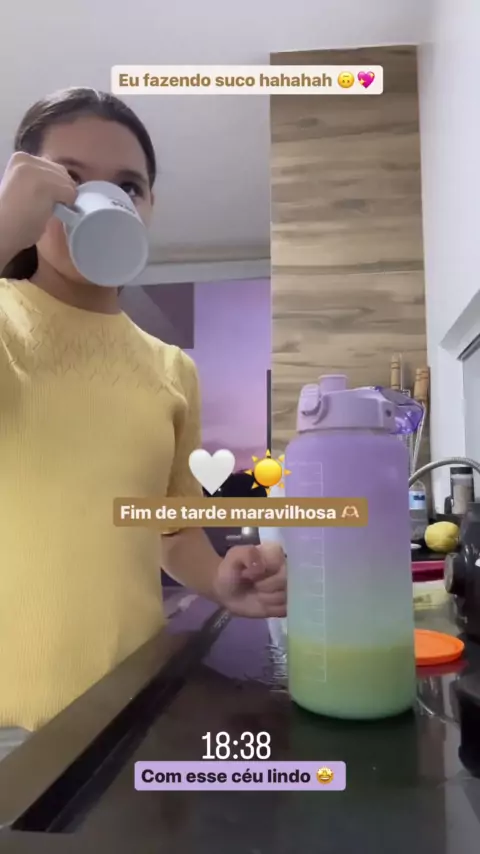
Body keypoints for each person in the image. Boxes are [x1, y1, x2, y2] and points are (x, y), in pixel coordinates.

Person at [0, 87, 286, 754]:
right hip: (9, 731)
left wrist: (222, 580)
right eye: (69, 180)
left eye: (127, 186)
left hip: (131, 706)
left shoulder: (171, 368)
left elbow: (171, 528)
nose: (98, 201)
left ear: (147, 206)